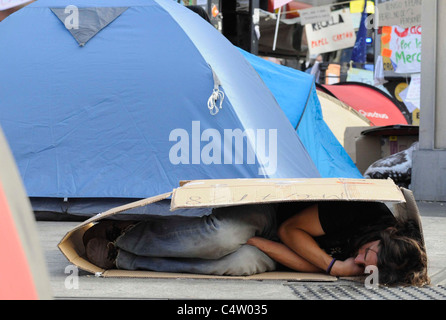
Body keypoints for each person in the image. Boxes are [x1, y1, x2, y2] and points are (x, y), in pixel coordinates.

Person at [84, 198, 429, 286]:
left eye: (368, 267)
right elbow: (292, 229)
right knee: (224, 236)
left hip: (281, 249)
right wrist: (330, 265)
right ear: (386, 236)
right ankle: (124, 233)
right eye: (368, 253)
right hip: (273, 214)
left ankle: (121, 259)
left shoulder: (374, 266)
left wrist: (336, 269)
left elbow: (301, 259)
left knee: (238, 262)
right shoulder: (364, 215)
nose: (361, 260)